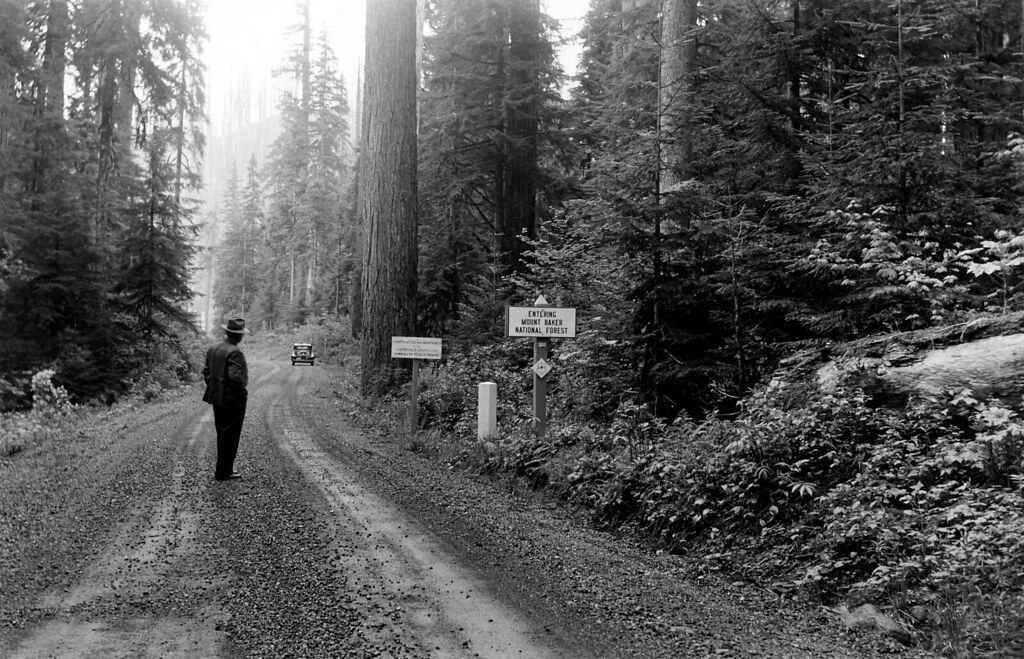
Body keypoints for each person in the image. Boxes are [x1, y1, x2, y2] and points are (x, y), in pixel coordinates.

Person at [202, 317, 250, 480]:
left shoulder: (213, 348)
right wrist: (243, 395)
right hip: (232, 401)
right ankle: (224, 471)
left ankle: (223, 469)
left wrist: (214, 387)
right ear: (239, 336)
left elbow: (206, 373)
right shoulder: (235, 352)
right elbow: (235, 378)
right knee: (230, 436)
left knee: (222, 433)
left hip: (217, 399)